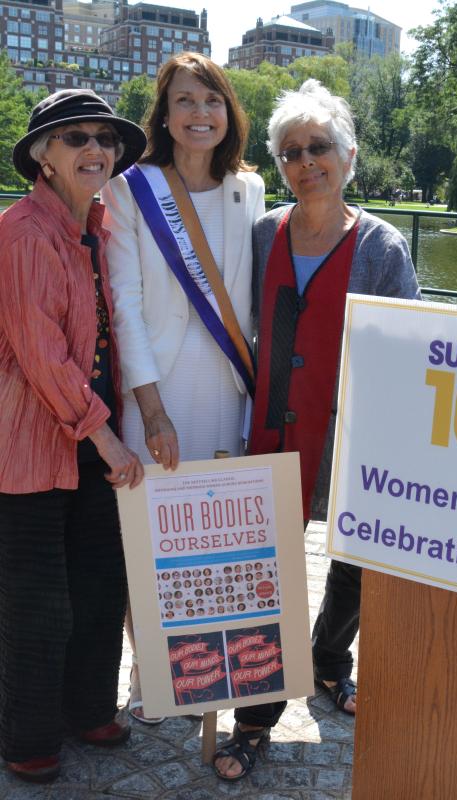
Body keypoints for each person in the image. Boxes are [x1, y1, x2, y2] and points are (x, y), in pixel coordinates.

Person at [212, 79, 420, 781]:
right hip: (271, 428)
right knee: (265, 572)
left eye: (319, 147)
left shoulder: (382, 247)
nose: (306, 162)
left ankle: (330, 661)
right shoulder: (264, 231)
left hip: (354, 435)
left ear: (348, 154)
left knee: (356, 562)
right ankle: (254, 718)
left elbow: (413, 348)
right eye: (291, 152)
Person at [102, 52, 265, 724]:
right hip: (155, 391)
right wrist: (152, 408)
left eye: (213, 101)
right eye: (187, 102)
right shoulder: (128, 187)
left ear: (230, 114)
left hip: (224, 385)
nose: (202, 114)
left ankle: (202, 671)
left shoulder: (249, 190)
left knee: (211, 538)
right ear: (164, 117)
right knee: (149, 536)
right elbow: (126, 304)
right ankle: (148, 672)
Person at [0, 89, 147, 783]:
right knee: (37, 602)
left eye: (106, 138)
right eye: (76, 138)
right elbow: (41, 353)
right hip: (33, 445)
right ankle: (27, 734)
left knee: (100, 582)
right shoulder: (23, 233)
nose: (96, 148)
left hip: (91, 438)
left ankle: (86, 705)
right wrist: (108, 438)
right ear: (43, 159)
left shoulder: (103, 226)